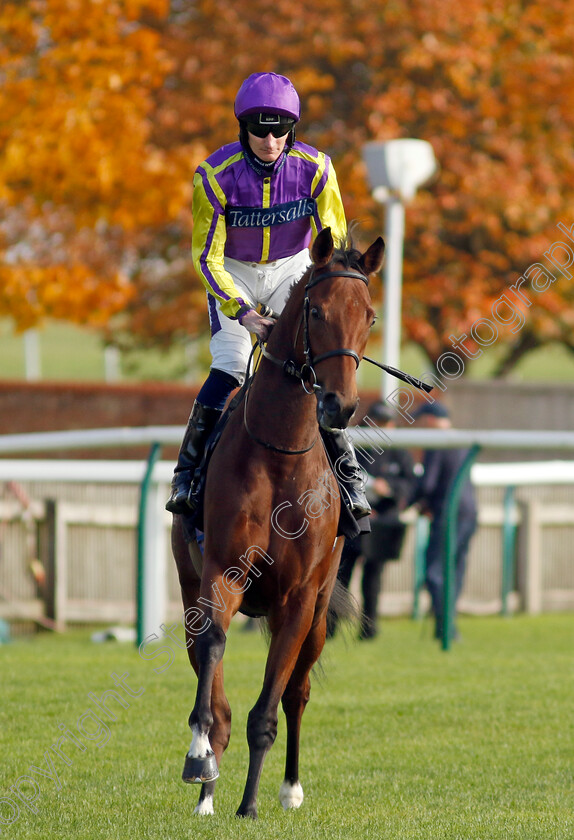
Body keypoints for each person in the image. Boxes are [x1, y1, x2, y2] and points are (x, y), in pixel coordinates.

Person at [166, 72, 370, 520]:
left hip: (292, 269)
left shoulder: (317, 169)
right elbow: (207, 259)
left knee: (313, 361)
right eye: (260, 128)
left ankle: (349, 478)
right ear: (243, 128)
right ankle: (186, 472)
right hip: (235, 273)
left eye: (280, 129)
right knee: (233, 364)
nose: (271, 139)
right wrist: (242, 313)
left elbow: (331, 241)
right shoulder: (213, 176)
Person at [332, 400, 416, 639]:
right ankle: (331, 627)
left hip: (382, 523)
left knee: (373, 579)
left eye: (386, 422)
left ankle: (369, 629)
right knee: (341, 576)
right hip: (354, 520)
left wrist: (389, 489)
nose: (382, 427)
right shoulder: (353, 445)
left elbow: (409, 485)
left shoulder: (399, 451)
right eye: (378, 421)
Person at [408, 402, 478, 641]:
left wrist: (409, 502)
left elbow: (427, 483)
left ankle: (446, 628)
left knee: (436, 572)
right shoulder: (462, 441)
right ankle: (449, 623)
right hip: (469, 512)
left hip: (447, 514)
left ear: (429, 419)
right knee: (455, 570)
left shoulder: (437, 443)